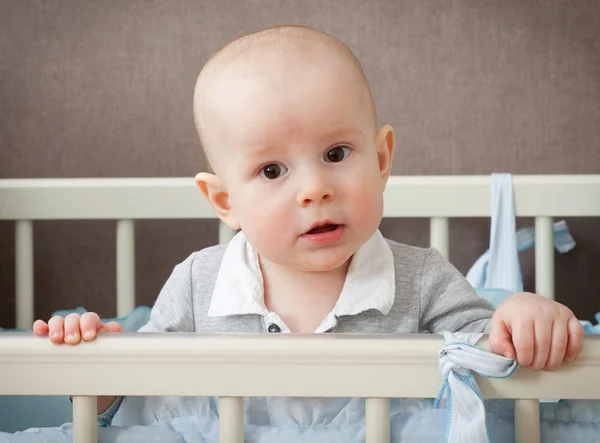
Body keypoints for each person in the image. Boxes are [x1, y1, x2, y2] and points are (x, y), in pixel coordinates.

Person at [33, 25, 583, 423]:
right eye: (272, 170)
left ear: (382, 159)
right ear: (224, 199)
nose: (313, 188)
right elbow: (137, 400)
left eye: (337, 153)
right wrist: (100, 367)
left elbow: (490, 358)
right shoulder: (200, 283)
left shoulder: (422, 280)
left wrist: (520, 316)